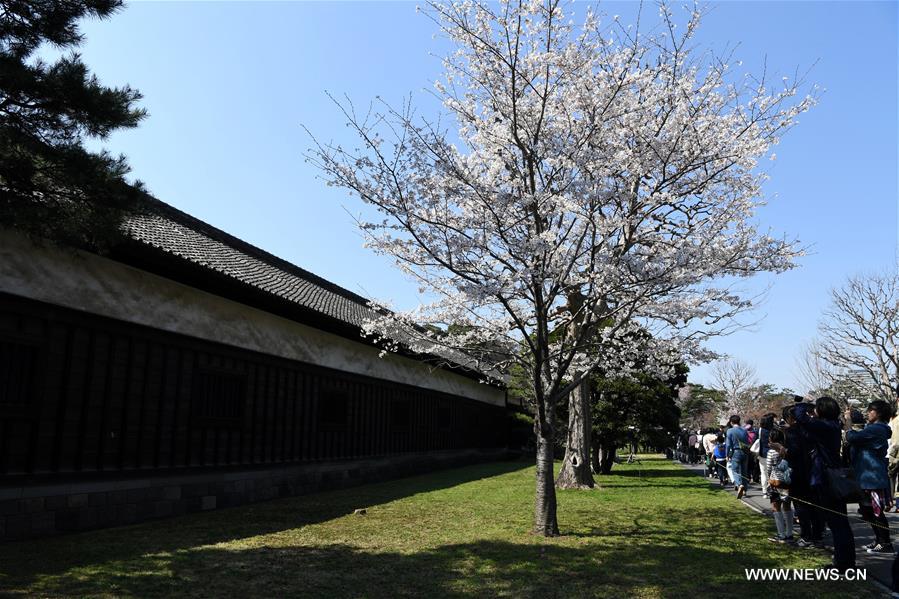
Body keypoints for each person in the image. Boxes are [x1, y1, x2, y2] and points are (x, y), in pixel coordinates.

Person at [797, 396, 856, 570]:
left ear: (821, 410)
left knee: (837, 523)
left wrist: (804, 402)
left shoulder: (824, 425)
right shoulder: (832, 425)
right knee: (839, 522)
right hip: (829, 475)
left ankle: (843, 564)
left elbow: (800, 415)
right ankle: (844, 561)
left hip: (826, 478)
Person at [846, 399, 894, 553]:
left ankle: (885, 543)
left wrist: (848, 421)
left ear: (878, 413)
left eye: (870, 410)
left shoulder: (877, 429)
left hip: (873, 477)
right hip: (866, 476)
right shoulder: (873, 428)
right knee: (868, 511)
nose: (867, 413)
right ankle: (879, 540)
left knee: (876, 511)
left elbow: (852, 437)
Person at [766, 428, 795, 543]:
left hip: (776, 482)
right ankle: (789, 533)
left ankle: (781, 534)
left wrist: (769, 479)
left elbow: (769, 468)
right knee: (787, 507)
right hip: (787, 481)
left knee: (776, 507)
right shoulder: (786, 450)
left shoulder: (771, 452)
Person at [726, 414, 750, 498]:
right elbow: (748, 441)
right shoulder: (744, 430)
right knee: (744, 471)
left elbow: (728, 445)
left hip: (736, 452)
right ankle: (745, 491)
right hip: (745, 452)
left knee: (735, 470)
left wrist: (727, 454)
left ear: (731, 422)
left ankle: (739, 485)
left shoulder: (730, 431)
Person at [759, 413, 776, 498]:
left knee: (763, 473)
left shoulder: (760, 430)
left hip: (762, 454)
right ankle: (772, 489)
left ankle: (764, 492)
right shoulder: (774, 430)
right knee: (773, 473)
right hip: (773, 453)